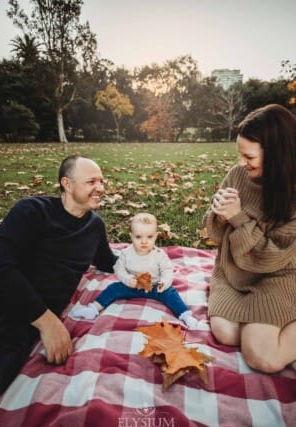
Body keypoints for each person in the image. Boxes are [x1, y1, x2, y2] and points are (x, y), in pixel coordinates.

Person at [0, 155, 116, 396]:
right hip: (10, 301)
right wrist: (48, 323)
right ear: (67, 184)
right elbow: (0, 263)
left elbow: (108, 262)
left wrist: (146, 260)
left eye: (102, 181)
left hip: (22, 327)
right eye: (91, 181)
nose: (101, 188)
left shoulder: (95, 226)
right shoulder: (31, 211)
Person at [204, 104, 296, 373]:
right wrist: (219, 216)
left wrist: (238, 219)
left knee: (260, 355)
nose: (241, 163)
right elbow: (214, 235)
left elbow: (274, 256)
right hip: (235, 270)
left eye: (249, 157)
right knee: (227, 333)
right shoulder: (237, 174)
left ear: (277, 155)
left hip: (278, 274)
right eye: (239, 154)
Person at [70, 212, 199, 330]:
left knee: (171, 293)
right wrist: (127, 279)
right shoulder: (126, 254)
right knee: (113, 288)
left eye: (149, 237)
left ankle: (185, 315)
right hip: (132, 285)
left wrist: (164, 282)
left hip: (154, 287)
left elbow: (167, 270)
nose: (144, 241)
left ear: (155, 236)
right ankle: (93, 309)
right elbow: (118, 268)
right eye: (138, 237)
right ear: (131, 237)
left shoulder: (159, 254)